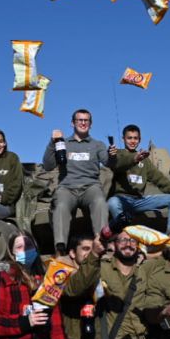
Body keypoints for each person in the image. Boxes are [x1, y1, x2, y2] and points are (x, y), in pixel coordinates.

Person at [42, 109, 109, 256]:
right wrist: (52, 143)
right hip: (67, 187)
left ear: (90, 124)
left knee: (99, 201)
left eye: (86, 120)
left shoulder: (98, 145)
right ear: (73, 123)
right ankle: (60, 249)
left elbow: (108, 162)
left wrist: (113, 154)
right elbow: (47, 165)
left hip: (90, 186)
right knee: (60, 206)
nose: (83, 123)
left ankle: (102, 243)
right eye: (80, 120)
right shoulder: (63, 143)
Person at [106, 124, 170, 231]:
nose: (132, 141)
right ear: (123, 139)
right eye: (129, 138)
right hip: (121, 199)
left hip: (139, 200)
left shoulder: (144, 160)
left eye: (135, 138)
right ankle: (126, 235)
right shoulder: (118, 154)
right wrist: (134, 159)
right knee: (112, 203)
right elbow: (116, 165)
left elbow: (157, 177)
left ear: (139, 140)